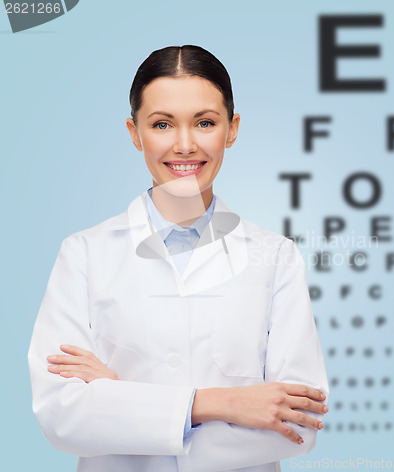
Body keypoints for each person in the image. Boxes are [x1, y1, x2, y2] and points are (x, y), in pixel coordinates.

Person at [28, 45, 329, 472]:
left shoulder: (275, 257)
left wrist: (120, 402)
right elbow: (62, 417)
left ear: (232, 129)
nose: (184, 145)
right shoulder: (84, 254)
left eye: (205, 122)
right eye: (162, 124)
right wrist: (217, 403)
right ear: (135, 133)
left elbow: (301, 423)